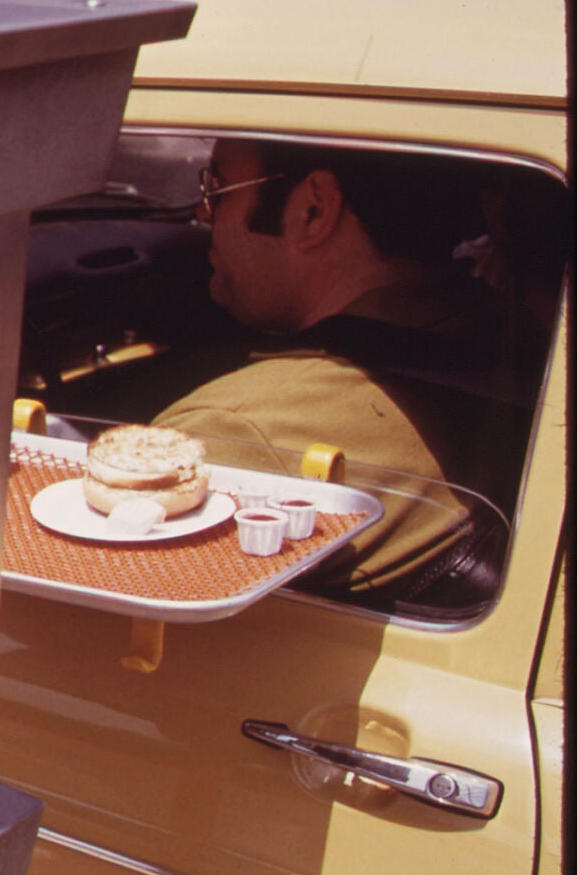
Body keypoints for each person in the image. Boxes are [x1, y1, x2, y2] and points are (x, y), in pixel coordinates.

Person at [152, 138, 531, 598]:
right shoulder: (523, 339)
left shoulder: (230, 431)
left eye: (219, 188)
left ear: (313, 210)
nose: (201, 212)